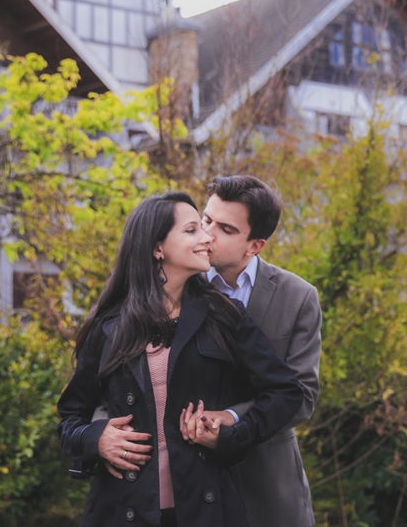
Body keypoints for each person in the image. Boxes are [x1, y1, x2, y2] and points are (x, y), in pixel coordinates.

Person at [57, 192, 304, 527]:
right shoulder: (109, 324)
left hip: (208, 512)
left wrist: (231, 434)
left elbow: (286, 393)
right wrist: (95, 439)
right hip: (121, 512)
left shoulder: (224, 316)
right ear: (157, 248)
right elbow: (70, 417)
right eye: (192, 230)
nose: (207, 237)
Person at [188, 175, 321, 527]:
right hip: (190, 479)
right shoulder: (176, 286)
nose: (207, 234)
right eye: (206, 219)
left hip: (269, 485)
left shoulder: (298, 297)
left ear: (255, 245)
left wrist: (231, 416)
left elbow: (303, 396)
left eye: (226, 229)